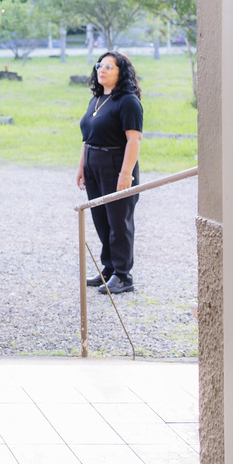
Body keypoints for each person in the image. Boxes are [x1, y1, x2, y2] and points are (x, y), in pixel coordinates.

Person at [78, 51, 144, 295]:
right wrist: (81, 167)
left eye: (109, 67)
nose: (101, 70)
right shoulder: (96, 99)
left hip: (116, 163)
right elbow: (87, 137)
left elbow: (134, 139)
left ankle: (123, 275)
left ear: (121, 73)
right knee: (101, 219)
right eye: (99, 65)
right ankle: (109, 268)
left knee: (119, 222)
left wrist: (125, 174)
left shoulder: (128, 101)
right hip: (93, 163)